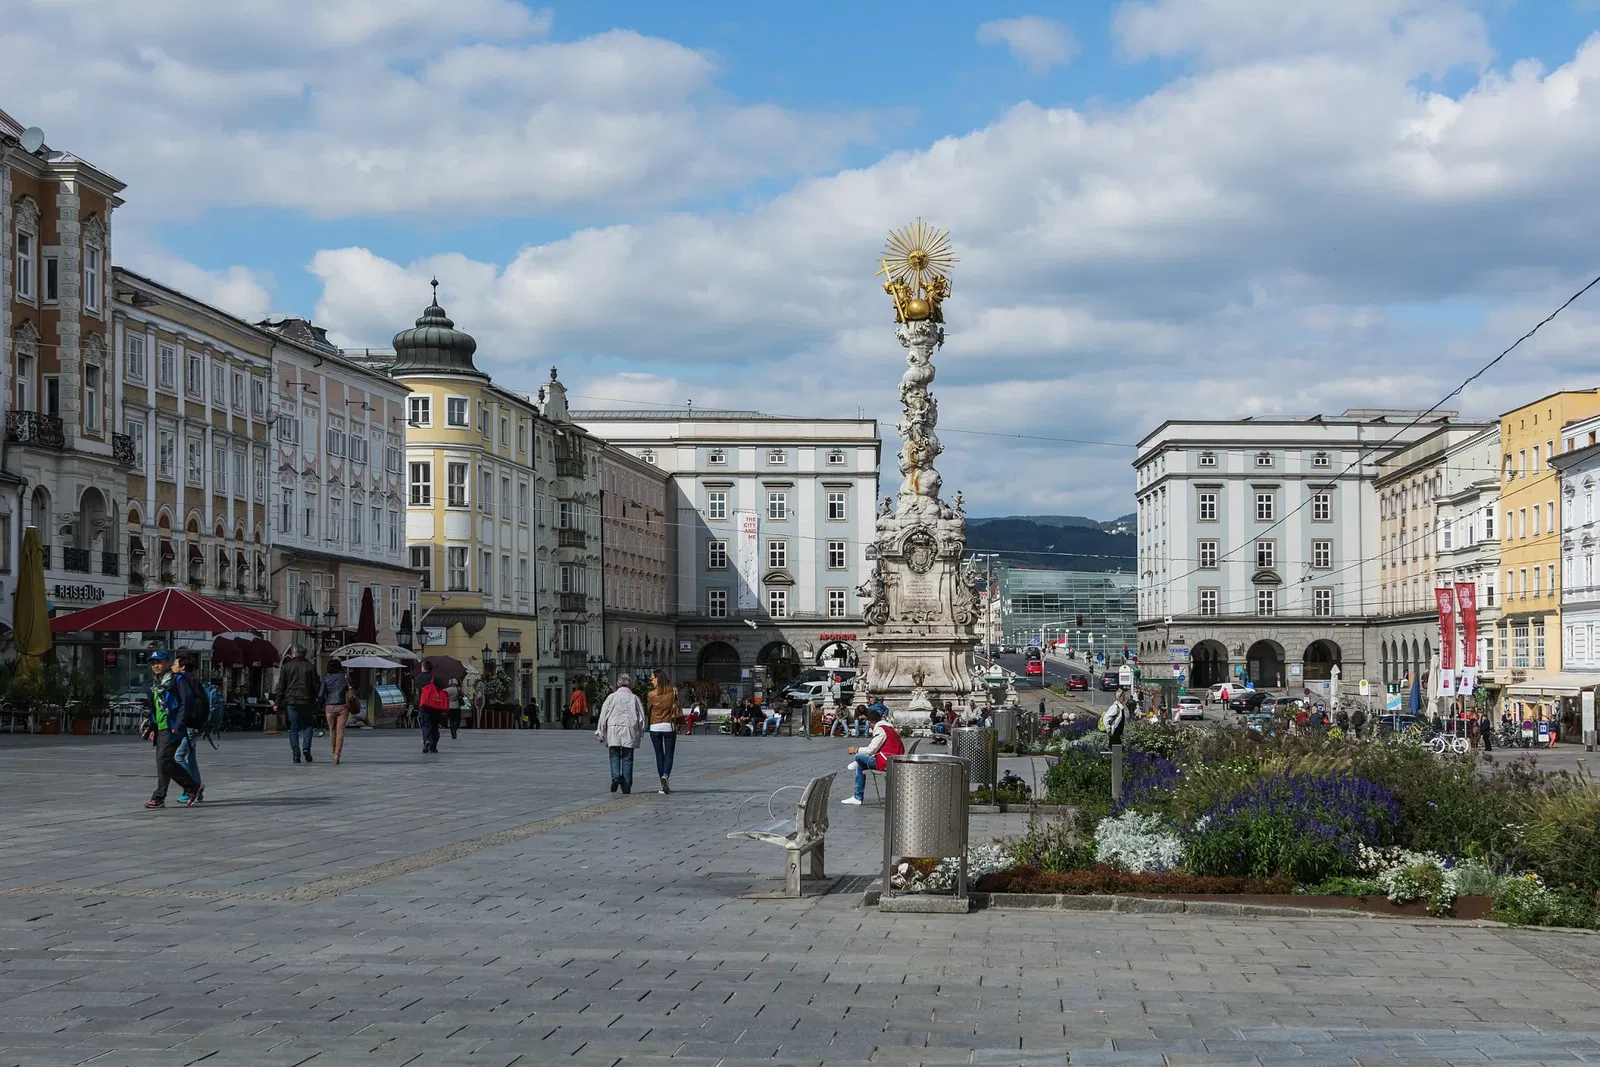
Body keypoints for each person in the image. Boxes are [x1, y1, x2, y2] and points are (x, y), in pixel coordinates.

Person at [144, 651, 202, 809]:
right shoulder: (155, 683)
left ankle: (159, 797)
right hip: (161, 727)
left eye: (159, 662)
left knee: (164, 760)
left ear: (167, 663)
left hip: (173, 727)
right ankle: (193, 787)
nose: (156, 665)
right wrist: (152, 726)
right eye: (153, 663)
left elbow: (187, 701)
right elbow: (156, 707)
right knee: (163, 762)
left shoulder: (177, 680)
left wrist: (179, 724)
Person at [841, 708, 905, 805]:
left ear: (871, 722)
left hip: (886, 761)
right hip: (893, 759)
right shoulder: (888, 728)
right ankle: (857, 797)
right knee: (860, 765)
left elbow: (871, 749)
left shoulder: (880, 729)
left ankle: (858, 797)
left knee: (859, 757)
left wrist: (855, 750)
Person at [595, 675, 647, 793]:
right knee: (627, 758)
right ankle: (626, 785)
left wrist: (600, 730)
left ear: (618, 684)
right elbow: (641, 718)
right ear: (630, 684)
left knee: (614, 755)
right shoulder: (634, 698)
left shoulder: (611, 697)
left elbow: (603, 715)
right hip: (630, 730)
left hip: (613, 730)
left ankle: (616, 777)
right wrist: (641, 731)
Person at [272, 645, 319, 764]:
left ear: (294, 654)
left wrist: (277, 702)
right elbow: (316, 685)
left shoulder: (287, 667)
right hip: (307, 701)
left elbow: (281, 687)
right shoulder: (310, 666)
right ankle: (306, 748)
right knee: (308, 725)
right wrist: (316, 700)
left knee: (294, 728)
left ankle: (296, 754)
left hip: (292, 701)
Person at [171, 654, 205, 802]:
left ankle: (191, 788)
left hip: (190, 725)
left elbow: (187, 703)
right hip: (196, 724)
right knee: (190, 758)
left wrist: (180, 723)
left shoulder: (184, 681)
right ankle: (198, 791)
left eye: (175, 663)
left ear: (183, 667)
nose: (173, 666)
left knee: (178, 756)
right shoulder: (192, 680)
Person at [646, 669, 682, 794]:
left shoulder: (651, 694)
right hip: (669, 726)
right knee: (669, 755)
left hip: (655, 726)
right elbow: (677, 708)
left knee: (659, 755)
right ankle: (665, 776)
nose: (651, 681)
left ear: (658, 678)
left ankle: (662, 783)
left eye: (653, 678)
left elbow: (648, 710)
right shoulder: (673, 692)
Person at [320, 659, 351, 765]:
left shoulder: (326, 678)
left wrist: (321, 705)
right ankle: (337, 755)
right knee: (340, 731)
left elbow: (320, 695)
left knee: (332, 731)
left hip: (329, 707)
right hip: (342, 706)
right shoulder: (345, 677)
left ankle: (333, 753)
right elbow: (351, 691)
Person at [416, 662, 449, 753]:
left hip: (424, 705)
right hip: (435, 706)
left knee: (425, 725)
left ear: (423, 668)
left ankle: (427, 740)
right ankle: (433, 746)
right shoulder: (437, 679)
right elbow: (442, 690)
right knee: (434, 726)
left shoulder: (418, 678)